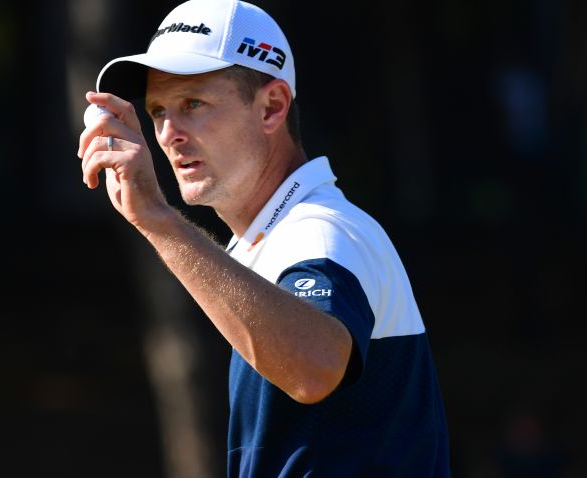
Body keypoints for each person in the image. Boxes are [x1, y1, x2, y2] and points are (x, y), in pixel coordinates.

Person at [77, 0, 452, 476]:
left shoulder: (320, 231)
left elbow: (314, 368)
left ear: (272, 106)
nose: (168, 133)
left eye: (193, 103)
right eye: (157, 110)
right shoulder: (270, 241)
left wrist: (157, 217)